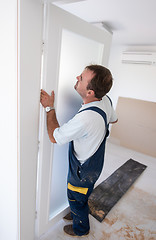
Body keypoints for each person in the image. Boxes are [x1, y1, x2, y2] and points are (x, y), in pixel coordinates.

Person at [40, 64, 118, 237]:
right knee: (82, 194)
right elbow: (114, 120)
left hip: (83, 171)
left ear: (90, 93)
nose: (77, 78)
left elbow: (55, 136)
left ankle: (81, 228)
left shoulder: (85, 119)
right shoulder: (106, 100)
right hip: (95, 163)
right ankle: (77, 208)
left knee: (76, 196)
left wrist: (49, 107)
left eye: (81, 78)